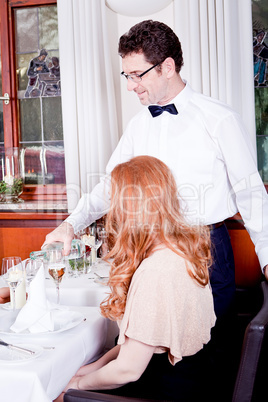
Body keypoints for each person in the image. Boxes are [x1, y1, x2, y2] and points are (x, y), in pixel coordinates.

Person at [44, 20, 268, 320]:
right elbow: (112, 186)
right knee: (152, 350)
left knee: (206, 355)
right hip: (149, 250)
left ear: (167, 67)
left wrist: (266, 259)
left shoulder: (219, 119)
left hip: (206, 250)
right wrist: (71, 224)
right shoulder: (138, 125)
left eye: (137, 75)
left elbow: (251, 194)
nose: (130, 85)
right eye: (127, 75)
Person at [55, 155, 216, 402]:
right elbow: (139, 342)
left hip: (162, 391)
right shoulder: (183, 249)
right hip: (193, 381)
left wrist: (75, 385)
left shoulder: (155, 272)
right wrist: (90, 369)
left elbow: (128, 370)